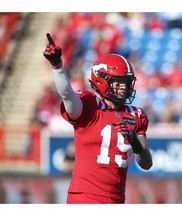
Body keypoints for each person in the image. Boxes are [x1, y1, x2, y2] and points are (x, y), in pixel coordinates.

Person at [43, 33, 153, 204]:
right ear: (102, 81)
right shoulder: (90, 106)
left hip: (116, 199)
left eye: (126, 82)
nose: (124, 87)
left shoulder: (137, 115)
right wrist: (58, 67)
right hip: (85, 197)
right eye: (118, 82)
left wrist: (135, 142)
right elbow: (67, 94)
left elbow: (146, 163)